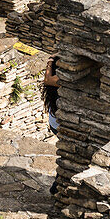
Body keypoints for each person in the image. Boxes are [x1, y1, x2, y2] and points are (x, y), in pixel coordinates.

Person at [43, 56, 60, 194]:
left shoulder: (52, 88)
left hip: (54, 123)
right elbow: (48, 80)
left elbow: (47, 79)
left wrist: (50, 63)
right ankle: (57, 185)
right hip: (61, 125)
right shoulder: (62, 80)